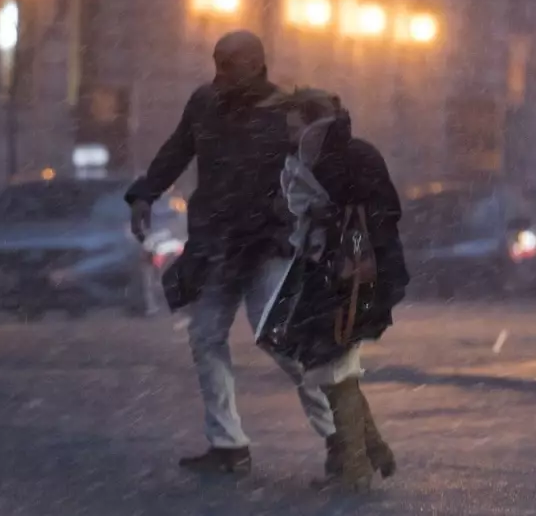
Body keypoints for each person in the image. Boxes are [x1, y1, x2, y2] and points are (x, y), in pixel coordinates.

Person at [125, 31, 337, 475]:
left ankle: (342, 436)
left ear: (258, 64)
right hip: (217, 243)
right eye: (218, 61)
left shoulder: (287, 112)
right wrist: (144, 194)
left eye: (232, 63)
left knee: (283, 343)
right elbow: (176, 151)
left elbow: (319, 173)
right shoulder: (204, 104)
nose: (222, 72)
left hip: (267, 243)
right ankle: (228, 444)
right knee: (205, 336)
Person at [258, 88, 409, 490]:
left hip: (352, 275)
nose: (289, 135)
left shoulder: (354, 156)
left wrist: (339, 226)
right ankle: (370, 452)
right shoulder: (311, 158)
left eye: (294, 127)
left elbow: (380, 217)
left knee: (336, 370)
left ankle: (355, 469)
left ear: (313, 122)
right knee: (334, 368)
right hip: (328, 272)